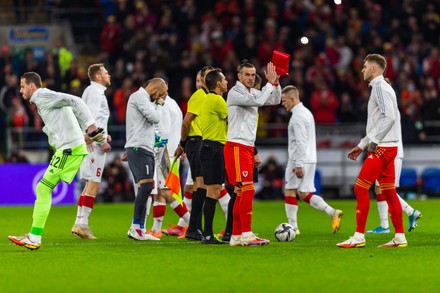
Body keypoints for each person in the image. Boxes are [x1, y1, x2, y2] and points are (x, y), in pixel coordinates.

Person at [8, 72, 105, 250]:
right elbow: (67, 113)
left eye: (22, 86)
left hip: (69, 150)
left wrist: (91, 125)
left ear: (31, 86)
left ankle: (35, 237)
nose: (21, 91)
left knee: (43, 188)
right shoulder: (43, 100)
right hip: (69, 147)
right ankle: (34, 236)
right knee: (43, 188)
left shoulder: (42, 96)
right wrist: (82, 135)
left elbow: (76, 101)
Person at [337, 54, 406, 248]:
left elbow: (389, 117)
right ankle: (399, 237)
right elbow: (378, 122)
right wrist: (362, 145)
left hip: (383, 147)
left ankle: (358, 237)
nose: (362, 70)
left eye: (365, 66)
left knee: (360, 188)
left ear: (374, 69)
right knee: (390, 192)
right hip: (389, 145)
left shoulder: (380, 87)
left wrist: (373, 142)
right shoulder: (383, 87)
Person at [224, 59, 281, 246]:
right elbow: (259, 100)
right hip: (237, 145)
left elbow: (274, 99)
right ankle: (246, 234)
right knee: (247, 189)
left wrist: (276, 83)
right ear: (239, 76)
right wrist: (269, 84)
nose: (250, 78)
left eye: (252, 75)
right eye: (246, 74)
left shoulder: (251, 92)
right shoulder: (235, 92)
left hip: (246, 145)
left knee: (241, 191)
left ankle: (236, 236)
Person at [281, 85, 343, 235]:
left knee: (289, 190)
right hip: (310, 158)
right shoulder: (307, 112)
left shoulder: (297, 117)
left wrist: (298, 164)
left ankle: (293, 228)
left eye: (284, 101)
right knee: (303, 193)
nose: (283, 104)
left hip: (299, 158)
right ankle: (332, 212)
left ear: (292, 98)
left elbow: (301, 142)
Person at [367, 88, 422, 233]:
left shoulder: (387, 111)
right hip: (392, 151)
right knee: (381, 188)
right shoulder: (392, 108)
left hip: (390, 151)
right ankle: (386, 225)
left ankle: (408, 213)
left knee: (385, 188)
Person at [72, 63, 112, 240]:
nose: (108, 74)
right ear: (98, 77)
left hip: (90, 141)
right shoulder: (96, 93)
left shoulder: (91, 91)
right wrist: (101, 141)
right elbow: (92, 121)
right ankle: (83, 224)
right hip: (94, 144)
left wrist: (105, 134)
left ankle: (79, 222)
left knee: (89, 183)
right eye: (105, 72)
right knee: (94, 183)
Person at [125, 78, 167, 241]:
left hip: (143, 147)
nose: (161, 97)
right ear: (154, 89)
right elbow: (155, 118)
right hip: (139, 147)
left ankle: (140, 229)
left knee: (147, 186)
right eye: (161, 94)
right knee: (148, 185)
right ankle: (135, 227)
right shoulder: (139, 97)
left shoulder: (144, 99)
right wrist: (160, 104)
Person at [174, 66, 213, 241]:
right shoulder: (200, 96)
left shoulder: (207, 97)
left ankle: (194, 227)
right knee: (201, 184)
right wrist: (183, 143)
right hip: (195, 141)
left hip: (199, 141)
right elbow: (186, 121)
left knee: (199, 186)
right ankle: (194, 228)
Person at [147, 94, 190, 239]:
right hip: (169, 152)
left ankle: (192, 224)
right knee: (159, 193)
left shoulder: (165, 106)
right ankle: (156, 229)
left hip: (165, 154)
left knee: (166, 192)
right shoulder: (174, 104)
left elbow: (162, 131)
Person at [199, 68, 229, 244]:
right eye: (224, 80)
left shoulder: (208, 99)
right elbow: (232, 118)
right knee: (213, 191)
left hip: (209, 147)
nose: (227, 82)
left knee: (213, 191)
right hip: (214, 148)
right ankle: (208, 235)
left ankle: (207, 234)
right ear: (218, 83)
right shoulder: (217, 100)